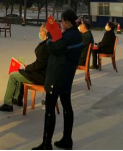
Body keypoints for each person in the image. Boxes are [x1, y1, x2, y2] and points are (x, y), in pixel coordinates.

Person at [32, 9, 84, 151]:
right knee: (67, 106)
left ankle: (46, 143)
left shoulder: (66, 38)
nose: (61, 23)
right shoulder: (77, 35)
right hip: (67, 76)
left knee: (50, 108)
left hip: (57, 76)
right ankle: (67, 139)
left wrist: (50, 36)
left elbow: (52, 49)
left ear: (67, 22)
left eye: (62, 21)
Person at [0, 25, 50, 112]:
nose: (39, 33)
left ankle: (8, 103)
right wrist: (27, 67)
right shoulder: (47, 44)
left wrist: (27, 68)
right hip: (41, 73)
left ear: (45, 33)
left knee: (13, 75)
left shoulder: (45, 46)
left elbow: (39, 64)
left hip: (40, 76)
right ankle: (17, 98)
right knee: (20, 72)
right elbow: (39, 63)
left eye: (41, 31)